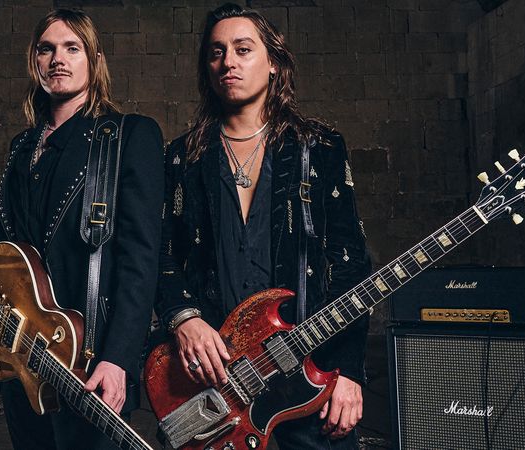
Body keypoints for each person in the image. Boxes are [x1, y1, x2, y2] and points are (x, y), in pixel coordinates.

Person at [155, 3, 371, 449]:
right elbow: (157, 254)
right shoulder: (181, 159)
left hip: (310, 377)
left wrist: (348, 371)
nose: (228, 62)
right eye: (216, 52)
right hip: (214, 384)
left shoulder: (319, 148)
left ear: (273, 63)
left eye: (242, 49)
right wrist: (184, 319)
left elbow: (351, 266)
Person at [0, 9, 163, 450]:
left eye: (72, 48)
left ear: (93, 59)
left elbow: (141, 259)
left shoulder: (129, 135)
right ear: (34, 60)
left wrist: (118, 359)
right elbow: (12, 249)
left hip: (88, 362)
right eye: (46, 49)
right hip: (21, 362)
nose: (57, 59)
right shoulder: (21, 147)